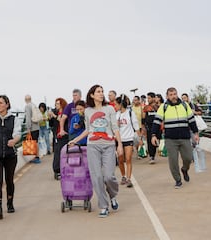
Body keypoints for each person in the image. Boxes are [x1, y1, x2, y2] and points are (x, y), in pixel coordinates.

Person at [68, 84, 123, 218]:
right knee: (97, 177)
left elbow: (115, 128)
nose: (101, 93)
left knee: (109, 176)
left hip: (109, 145)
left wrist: (119, 144)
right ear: (92, 95)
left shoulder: (109, 108)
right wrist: (75, 140)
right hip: (93, 146)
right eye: (98, 91)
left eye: (102, 91)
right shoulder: (87, 111)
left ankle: (113, 195)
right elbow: (88, 129)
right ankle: (103, 206)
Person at [151, 87, 199, 189]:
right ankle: (178, 180)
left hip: (185, 137)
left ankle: (184, 169)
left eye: (175, 94)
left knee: (188, 158)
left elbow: (191, 120)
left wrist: (196, 133)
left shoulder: (184, 105)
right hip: (170, 139)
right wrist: (154, 135)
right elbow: (157, 121)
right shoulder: (164, 107)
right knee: (173, 161)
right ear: (167, 96)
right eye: (171, 94)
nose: (173, 96)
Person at [115, 94, 142, 188]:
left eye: (116, 104)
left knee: (128, 158)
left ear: (121, 104)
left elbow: (136, 125)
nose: (115, 106)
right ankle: (123, 176)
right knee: (120, 159)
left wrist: (140, 138)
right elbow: (114, 128)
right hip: (119, 140)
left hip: (129, 138)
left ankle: (129, 178)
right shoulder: (116, 114)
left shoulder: (130, 113)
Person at [50, 97, 68, 180]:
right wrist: (51, 118)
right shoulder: (55, 112)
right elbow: (51, 124)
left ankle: (63, 170)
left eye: (57, 103)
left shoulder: (65, 113)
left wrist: (54, 116)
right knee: (57, 153)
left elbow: (61, 120)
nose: (56, 105)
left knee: (63, 153)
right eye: (55, 104)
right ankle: (57, 170)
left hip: (64, 136)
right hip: (56, 135)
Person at [142, 92, 158, 164]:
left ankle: (154, 154)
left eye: (149, 98)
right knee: (149, 141)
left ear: (153, 98)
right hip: (149, 127)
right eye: (147, 98)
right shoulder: (146, 107)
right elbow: (143, 118)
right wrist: (143, 127)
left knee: (155, 141)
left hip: (156, 126)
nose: (148, 99)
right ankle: (151, 156)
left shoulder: (158, 107)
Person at [24, 94, 41, 163]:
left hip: (32, 128)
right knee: (36, 142)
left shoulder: (27, 106)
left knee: (34, 142)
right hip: (37, 127)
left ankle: (36, 157)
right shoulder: (34, 105)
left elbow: (28, 118)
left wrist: (28, 128)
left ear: (25, 100)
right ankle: (37, 156)